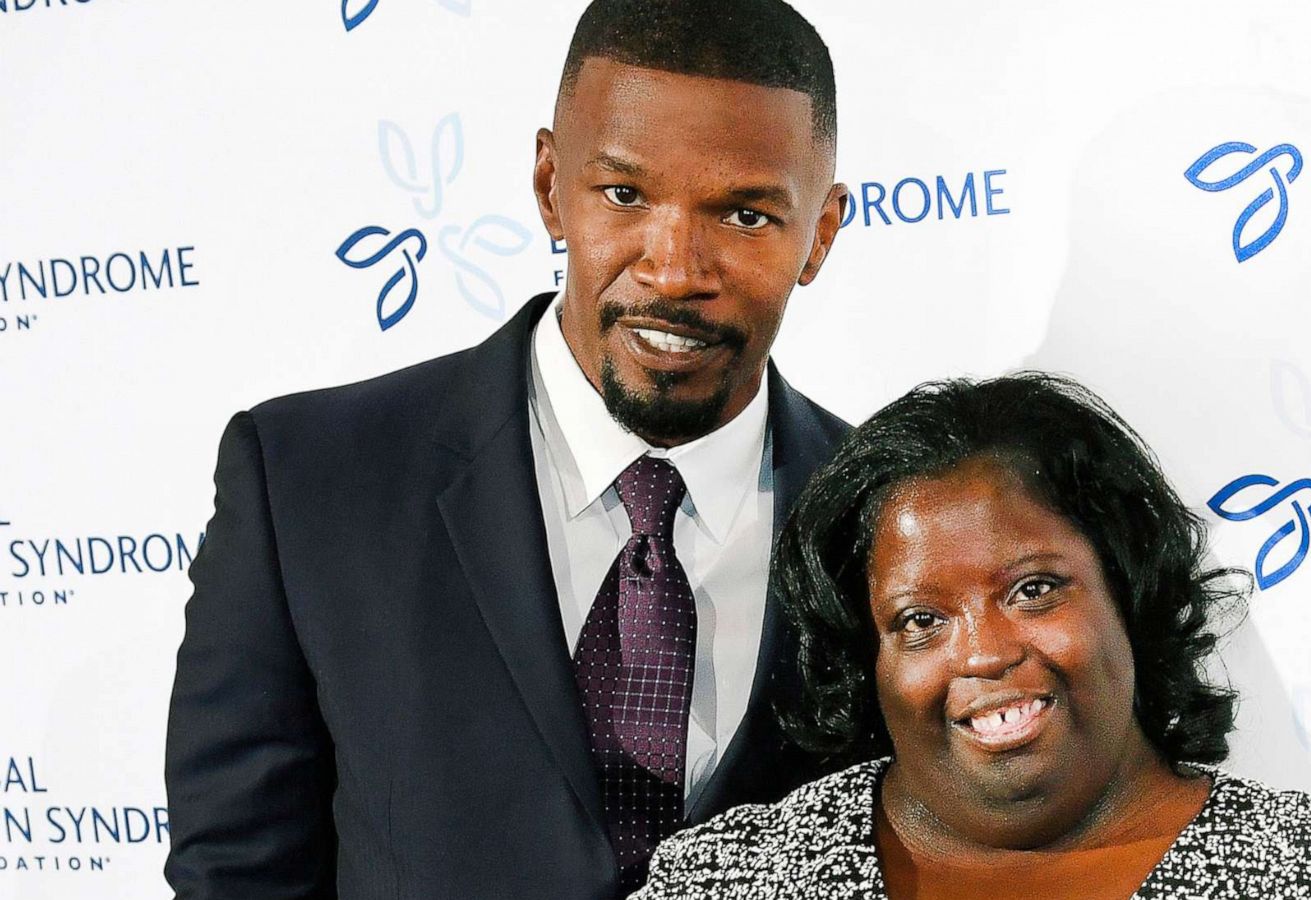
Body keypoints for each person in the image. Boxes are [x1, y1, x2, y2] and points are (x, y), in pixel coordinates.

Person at [164, 1, 853, 897]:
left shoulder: (884, 517)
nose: (676, 269)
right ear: (547, 186)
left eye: (746, 216)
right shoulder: (306, 482)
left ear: (822, 234)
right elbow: (237, 874)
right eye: (625, 195)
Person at [632, 373, 1311, 899]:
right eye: (921, 621)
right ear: (869, 662)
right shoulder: (729, 883)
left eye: (1034, 591)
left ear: (1129, 591)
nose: (985, 652)